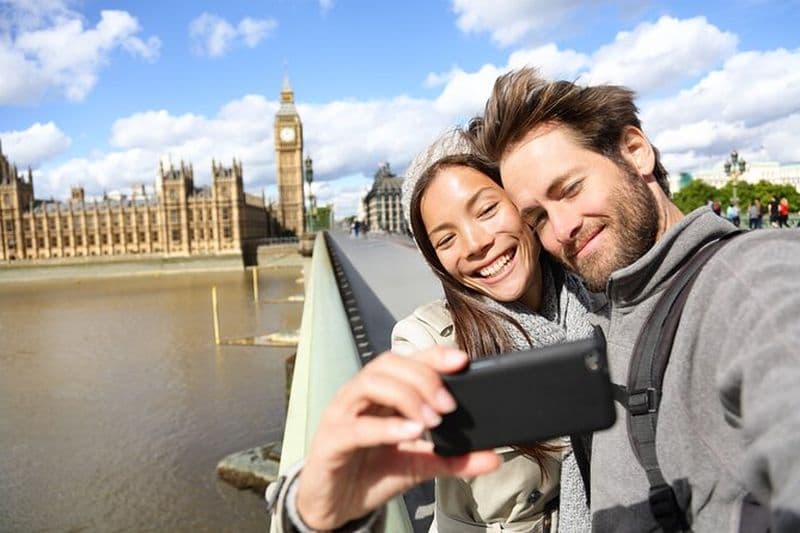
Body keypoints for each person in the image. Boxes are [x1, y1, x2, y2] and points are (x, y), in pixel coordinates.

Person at [469, 68, 800, 531]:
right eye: (538, 217)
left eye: (570, 189)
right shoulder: (605, 311)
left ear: (635, 151)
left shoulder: (746, 280)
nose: (562, 229)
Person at [269, 129, 599, 532]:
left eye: (487, 210)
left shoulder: (601, 293)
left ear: (521, 204)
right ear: (436, 261)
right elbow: (380, 445)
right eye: (446, 239)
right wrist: (314, 509)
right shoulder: (428, 343)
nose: (476, 243)